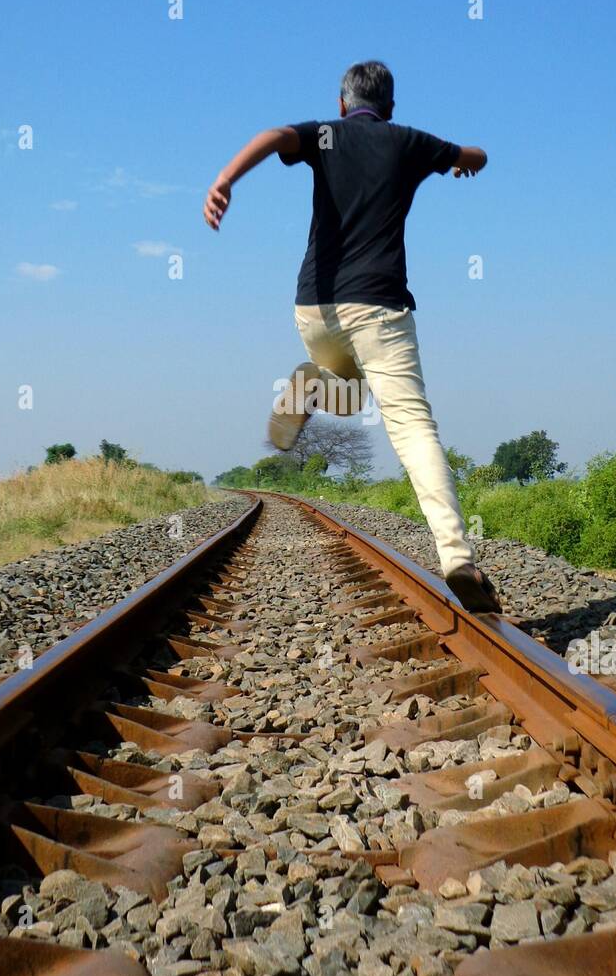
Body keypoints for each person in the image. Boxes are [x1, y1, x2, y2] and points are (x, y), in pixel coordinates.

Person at [203, 59, 501, 614]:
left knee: (347, 386)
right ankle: (457, 556)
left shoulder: (325, 134)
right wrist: (461, 164)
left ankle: (313, 381)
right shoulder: (410, 141)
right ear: (390, 107)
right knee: (412, 427)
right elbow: (477, 155)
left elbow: (273, 136)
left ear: (343, 104)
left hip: (313, 308)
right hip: (379, 306)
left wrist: (225, 179)